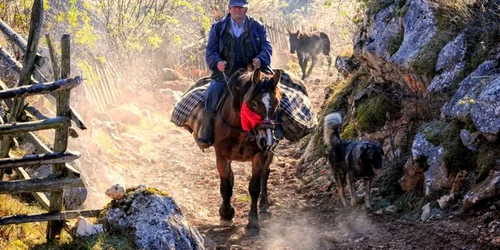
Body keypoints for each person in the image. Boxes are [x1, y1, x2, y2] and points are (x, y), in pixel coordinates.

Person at [197, 0, 284, 148]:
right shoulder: (218, 27)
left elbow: (267, 48)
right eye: (235, 7)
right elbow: (210, 51)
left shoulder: (257, 26)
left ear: (246, 9)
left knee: (276, 93)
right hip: (226, 73)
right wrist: (217, 62)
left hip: (253, 73)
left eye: (241, 7)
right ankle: (208, 131)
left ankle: (278, 127)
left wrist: (260, 59)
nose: (238, 10)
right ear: (229, 9)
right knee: (211, 92)